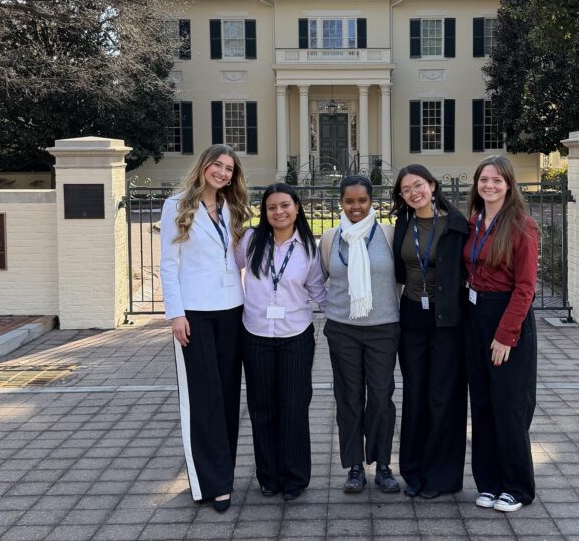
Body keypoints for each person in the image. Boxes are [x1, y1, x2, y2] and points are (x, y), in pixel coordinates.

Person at [159, 144, 252, 514]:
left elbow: (236, 257)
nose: (224, 173)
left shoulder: (232, 208)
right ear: (204, 166)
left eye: (230, 168)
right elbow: (168, 264)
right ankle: (209, 482)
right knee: (204, 398)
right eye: (218, 165)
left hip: (233, 311)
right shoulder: (176, 206)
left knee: (229, 397)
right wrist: (175, 314)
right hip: (195, 314)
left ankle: (223, 476)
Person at [235, 183, 326, 500]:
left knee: (294, 407)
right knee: (262, 407)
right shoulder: (249, 241)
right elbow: (225, 273)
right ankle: (269, 476)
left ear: (297, 207)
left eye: (285, 205)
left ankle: (295, 477)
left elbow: (318, 291)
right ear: (265, 212)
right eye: (272, 207)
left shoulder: (308, 248)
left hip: (296, 335)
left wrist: (346, 319)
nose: (279, 212)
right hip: (256, 334)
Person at [463, 155, 538, 513]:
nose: (489, 185)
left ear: (509, 185)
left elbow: (525, 287)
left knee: (509, 406)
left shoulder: (522, 226)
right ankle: (489, 483)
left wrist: (506, 335)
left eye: (496, 180)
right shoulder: (475, 222)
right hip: (476, 317)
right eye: (483, 179)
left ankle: (517, 487)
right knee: (482, 405)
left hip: (508, 318)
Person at [390, 164, 469, 499]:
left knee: (442, 397)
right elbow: (397, 270)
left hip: (447, 319)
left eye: (418, 185)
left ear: (433, 186)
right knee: (416, 394)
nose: (413, 193)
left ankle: (442, 476)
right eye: (406, 190)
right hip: (412, 316)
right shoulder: (403, 224)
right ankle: (414, 472)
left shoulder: (456, 224)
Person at [319, 176, 401, 494]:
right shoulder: (330, 239)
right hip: (343, 330)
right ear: (341, 202)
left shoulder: (388, 235)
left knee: (381, 398)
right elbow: (319, 280)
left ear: (371, 202)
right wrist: (335, 309)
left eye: (362, 201)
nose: (356, 207)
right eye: (349, 201)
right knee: (349, 399)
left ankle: (382, 464)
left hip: (383, 328)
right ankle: (354, 466)